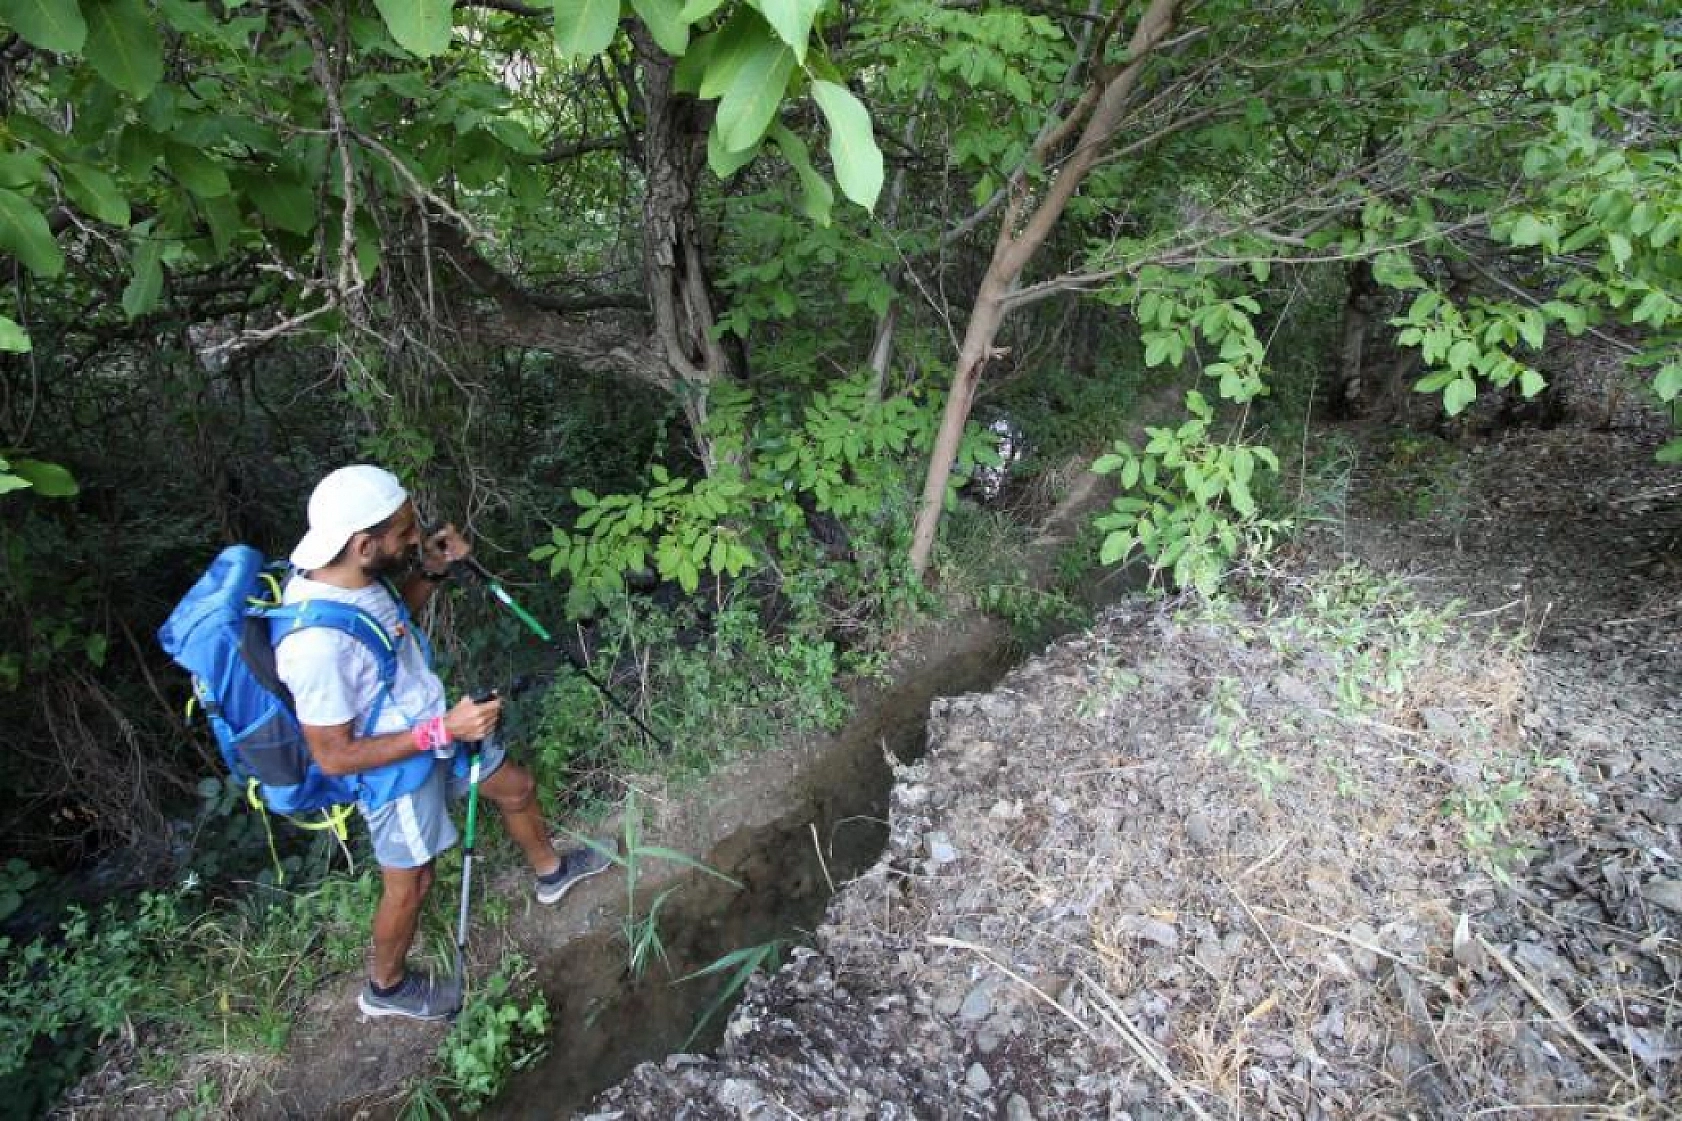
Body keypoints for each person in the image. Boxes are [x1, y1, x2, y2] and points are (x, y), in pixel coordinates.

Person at [275, 464, 609, 1021]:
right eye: (404, 533)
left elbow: (387, 628)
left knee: (517, 788)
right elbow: (332, 755)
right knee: (413, 882)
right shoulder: (313, 647)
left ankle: (552, 874)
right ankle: (385, 989)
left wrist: (430, 569)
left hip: (436, 731)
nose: (414, 537)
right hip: (397, 771)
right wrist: (441, 731)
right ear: (362, 545)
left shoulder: (356, 581)